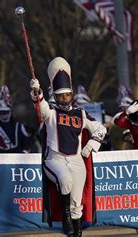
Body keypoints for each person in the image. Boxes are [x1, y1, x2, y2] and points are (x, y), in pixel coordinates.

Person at [31, 57, 106, 236]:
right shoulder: (50, 111)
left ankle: (77, 230)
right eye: (60, 95)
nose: (64, 98)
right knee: (65, 180)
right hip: (54, 159)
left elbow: (100, 128)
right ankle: (65, 219)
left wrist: (92, 144)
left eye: (67, 94)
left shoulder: (81, 113)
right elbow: (40, 108)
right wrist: (36, 93)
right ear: (54, 95)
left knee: (77, 201)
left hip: (76, 159)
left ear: (71, 94)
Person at [0, 85, 33, 153]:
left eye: (5, 112)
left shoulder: (19, 127)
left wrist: (24, 153)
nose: (3, 115)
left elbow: (27, 144)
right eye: (1, 112)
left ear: (10, 111)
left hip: (16, 161)